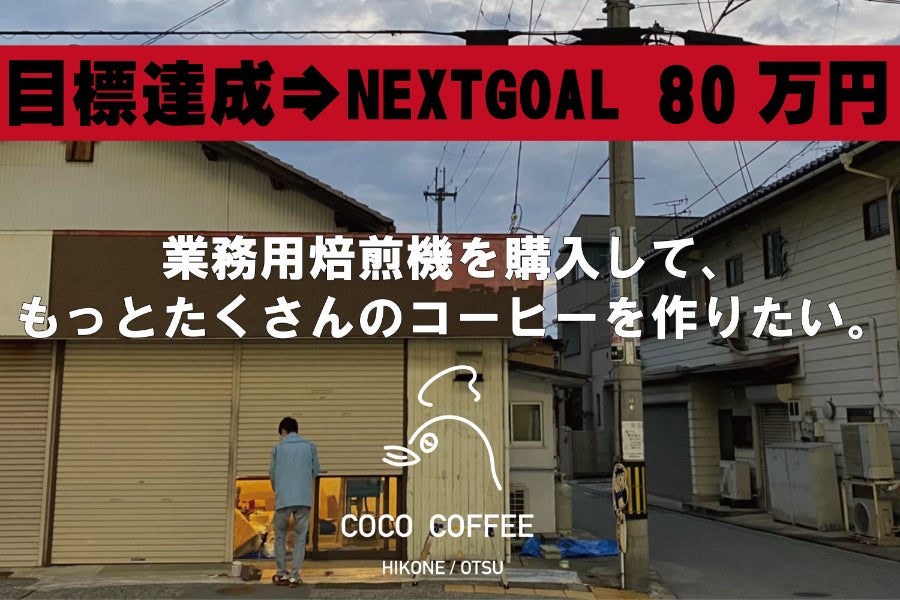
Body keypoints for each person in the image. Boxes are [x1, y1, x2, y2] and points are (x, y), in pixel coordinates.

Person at [269, 416, 319, 587]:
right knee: (300, 539)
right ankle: (294, 576)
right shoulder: (310, 447)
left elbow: (272, 475)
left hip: (283, 499)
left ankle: (282, 573)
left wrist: (279, 491)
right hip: (303, 499)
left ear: (283, 431)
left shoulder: (278, 449)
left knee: (280, 537)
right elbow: (315, 471)